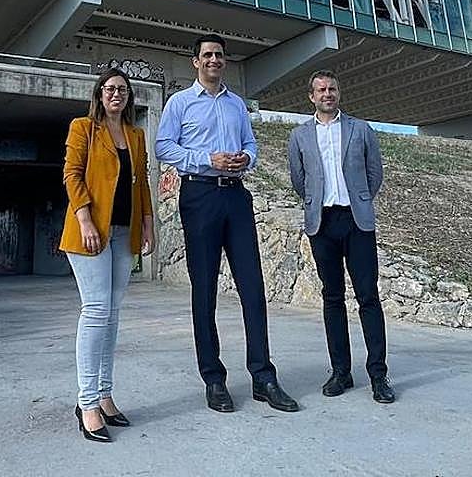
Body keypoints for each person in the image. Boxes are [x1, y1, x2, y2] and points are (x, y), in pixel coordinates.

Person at [155, 35, 299, 414]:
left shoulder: (236, 105)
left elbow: (251, 145)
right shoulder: (180, 103)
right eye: (207, 55)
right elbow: (164, 146)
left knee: (253, 287)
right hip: (199, 195)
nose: (214, 60)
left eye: (219, 55)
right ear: (195, 62)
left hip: (236, 196)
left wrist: (244, 160)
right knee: (204, 290)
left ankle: (263, 377)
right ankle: (214, 379)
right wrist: (208, 159)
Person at [287, 70, 395, 404]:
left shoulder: (361, 130)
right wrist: (315, 203)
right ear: (311, 96)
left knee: (368, 297)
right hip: (322, 223)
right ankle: (341, 372)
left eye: (332, 89)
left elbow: (374, 172)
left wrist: (361, 200)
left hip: (356, 222)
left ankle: (378, 375)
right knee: (332, 297)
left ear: (339, 93)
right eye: (321, 89)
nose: (327, 94)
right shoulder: (300, 136)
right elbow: (298, 177)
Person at [61, 68, 157, 442]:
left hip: (122, 233)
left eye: (123, 90)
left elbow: (143, 184)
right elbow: (72, 175)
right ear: (99, 94)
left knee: (112, 313)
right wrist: (85, 219)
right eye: (110, 89)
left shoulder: (135, 135)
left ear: (129, 97)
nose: (117, 94)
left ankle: (104, 395)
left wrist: (147, 226)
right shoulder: (83, 127)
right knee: (96, 309)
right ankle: (86, 403)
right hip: (89, 231)